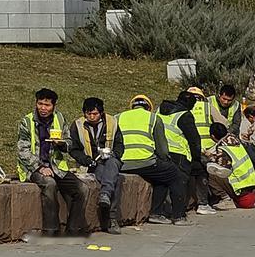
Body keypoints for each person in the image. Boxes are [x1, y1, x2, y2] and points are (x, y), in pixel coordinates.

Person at [15, 87, 87, 236]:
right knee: (49, 184)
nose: (43, 108)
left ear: (54, 106)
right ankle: (51, 229)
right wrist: (40, 167)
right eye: (40, 104)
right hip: (33, 168)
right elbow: (22, 151)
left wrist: (61, 144)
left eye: (47, 105)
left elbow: (70, 142)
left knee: (82, 189)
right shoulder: (27, 121)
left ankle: (73, 228)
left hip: (57, 167)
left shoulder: (59, 119)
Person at [115, 94, 189, 226]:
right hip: (145, 161)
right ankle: (178, 216)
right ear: (149, 107)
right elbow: (162, 149)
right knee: (174, 175)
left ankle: (157, 213)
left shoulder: (118, 117)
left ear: (132, 106)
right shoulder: (153, 118)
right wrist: (166, 159)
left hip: (122, 163)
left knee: (162, 177)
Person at [68, 97, 122, 234]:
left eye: (95, 114)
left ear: (102, 113)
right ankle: (111, 218)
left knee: (112, 166)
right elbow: (73, 149)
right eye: (88, 113)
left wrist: (113, 153)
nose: (92, 116)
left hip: (110, 161)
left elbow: (120, 145)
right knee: (113, 180)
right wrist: (86, 159)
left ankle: (105, 198)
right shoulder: (77, 125)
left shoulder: (112, 123)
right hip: (91, 165)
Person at [162, 91, 214, 215]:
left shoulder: (161, 109)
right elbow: (194, 139)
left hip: (161, 150)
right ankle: (202, 204)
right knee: (200, 170)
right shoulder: (185, 115)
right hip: (179, 152)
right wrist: (197, 157)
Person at [204, 122, 255, 208]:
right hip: (249, 184)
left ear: (213, 136)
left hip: (239, 188)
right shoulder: (235, 141)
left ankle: (226, 199)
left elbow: (222, 167)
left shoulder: (223, 148)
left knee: (212, 173)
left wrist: (209, 156)